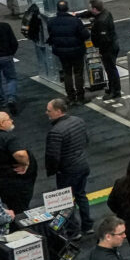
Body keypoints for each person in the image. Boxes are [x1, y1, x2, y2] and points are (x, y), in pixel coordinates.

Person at [44, 97, 91, 229]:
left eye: (49, 110)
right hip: (82, 165)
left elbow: (53, 156)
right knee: (81, 195)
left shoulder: (56, 132)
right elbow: (86, 140)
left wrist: (52, 170)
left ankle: (72, 231)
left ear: (58, 111)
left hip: (67, 171)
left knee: (64, 202)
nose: (46, 113)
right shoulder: (78, 121)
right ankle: (87, 225)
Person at [48, 0, 89, 103]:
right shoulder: (75, 21)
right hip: (76, 50)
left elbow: (52, 35)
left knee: (67, 73)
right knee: (78, 73)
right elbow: (85, 35)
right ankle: (80, 97)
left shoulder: (52, 22)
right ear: (67, 9)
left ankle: (70, 96)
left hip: (61, 52)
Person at [86, 0, 121, 101]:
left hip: (108, 48)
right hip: (113, 44)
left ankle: (115, 91)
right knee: (110, 69)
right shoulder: (105, 12)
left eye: (91, 8)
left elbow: (104, 40)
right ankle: (111, 88)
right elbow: (90, 13)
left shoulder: (101, 22)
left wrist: (99, 50)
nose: (90, 10)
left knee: (111, 69)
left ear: (95, 9)